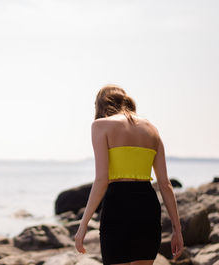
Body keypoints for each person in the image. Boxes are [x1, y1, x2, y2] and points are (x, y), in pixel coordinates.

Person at [74, 85, 184, 265]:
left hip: (118, 205)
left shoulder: (100, 126)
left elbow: (102, 179)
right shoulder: (152, 129)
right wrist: (177, 230)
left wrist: (83, 225)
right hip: (147, 206)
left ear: (101, 105)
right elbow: (165, 184)